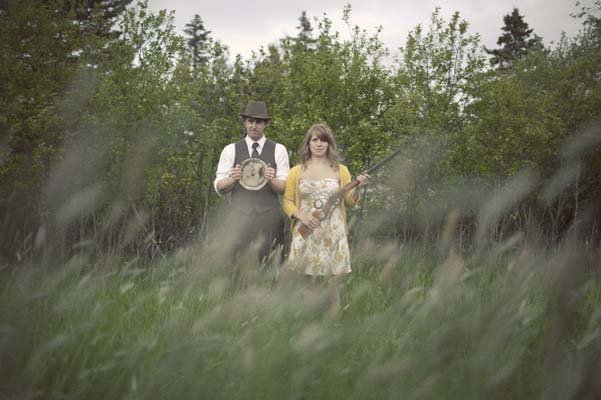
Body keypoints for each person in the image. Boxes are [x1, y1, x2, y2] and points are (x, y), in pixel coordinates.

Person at [282, 123, 369, 276]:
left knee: (333, 285)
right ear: (308, 143)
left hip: (333, 231)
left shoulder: (341, 170)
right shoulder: (296, 171)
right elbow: (287, 201)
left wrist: (359, 187)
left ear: (329, 144)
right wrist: (302, 216)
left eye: (323, 140)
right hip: (307, 228)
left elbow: (349, 202)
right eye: (315, 140)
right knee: (306, 282)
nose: (319, 144)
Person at [214, 100, 290, 264]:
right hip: (239, 218)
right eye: (250, 121)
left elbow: (284, 188)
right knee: (237, 268)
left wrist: (272, 179)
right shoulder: (230, 149)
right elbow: (219, 187)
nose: (254, 126)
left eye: (258, 122)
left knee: (272, 267)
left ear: (265, 124)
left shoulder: (279, 149)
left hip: (270, 218)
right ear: (245, 122)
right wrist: (232, 179)